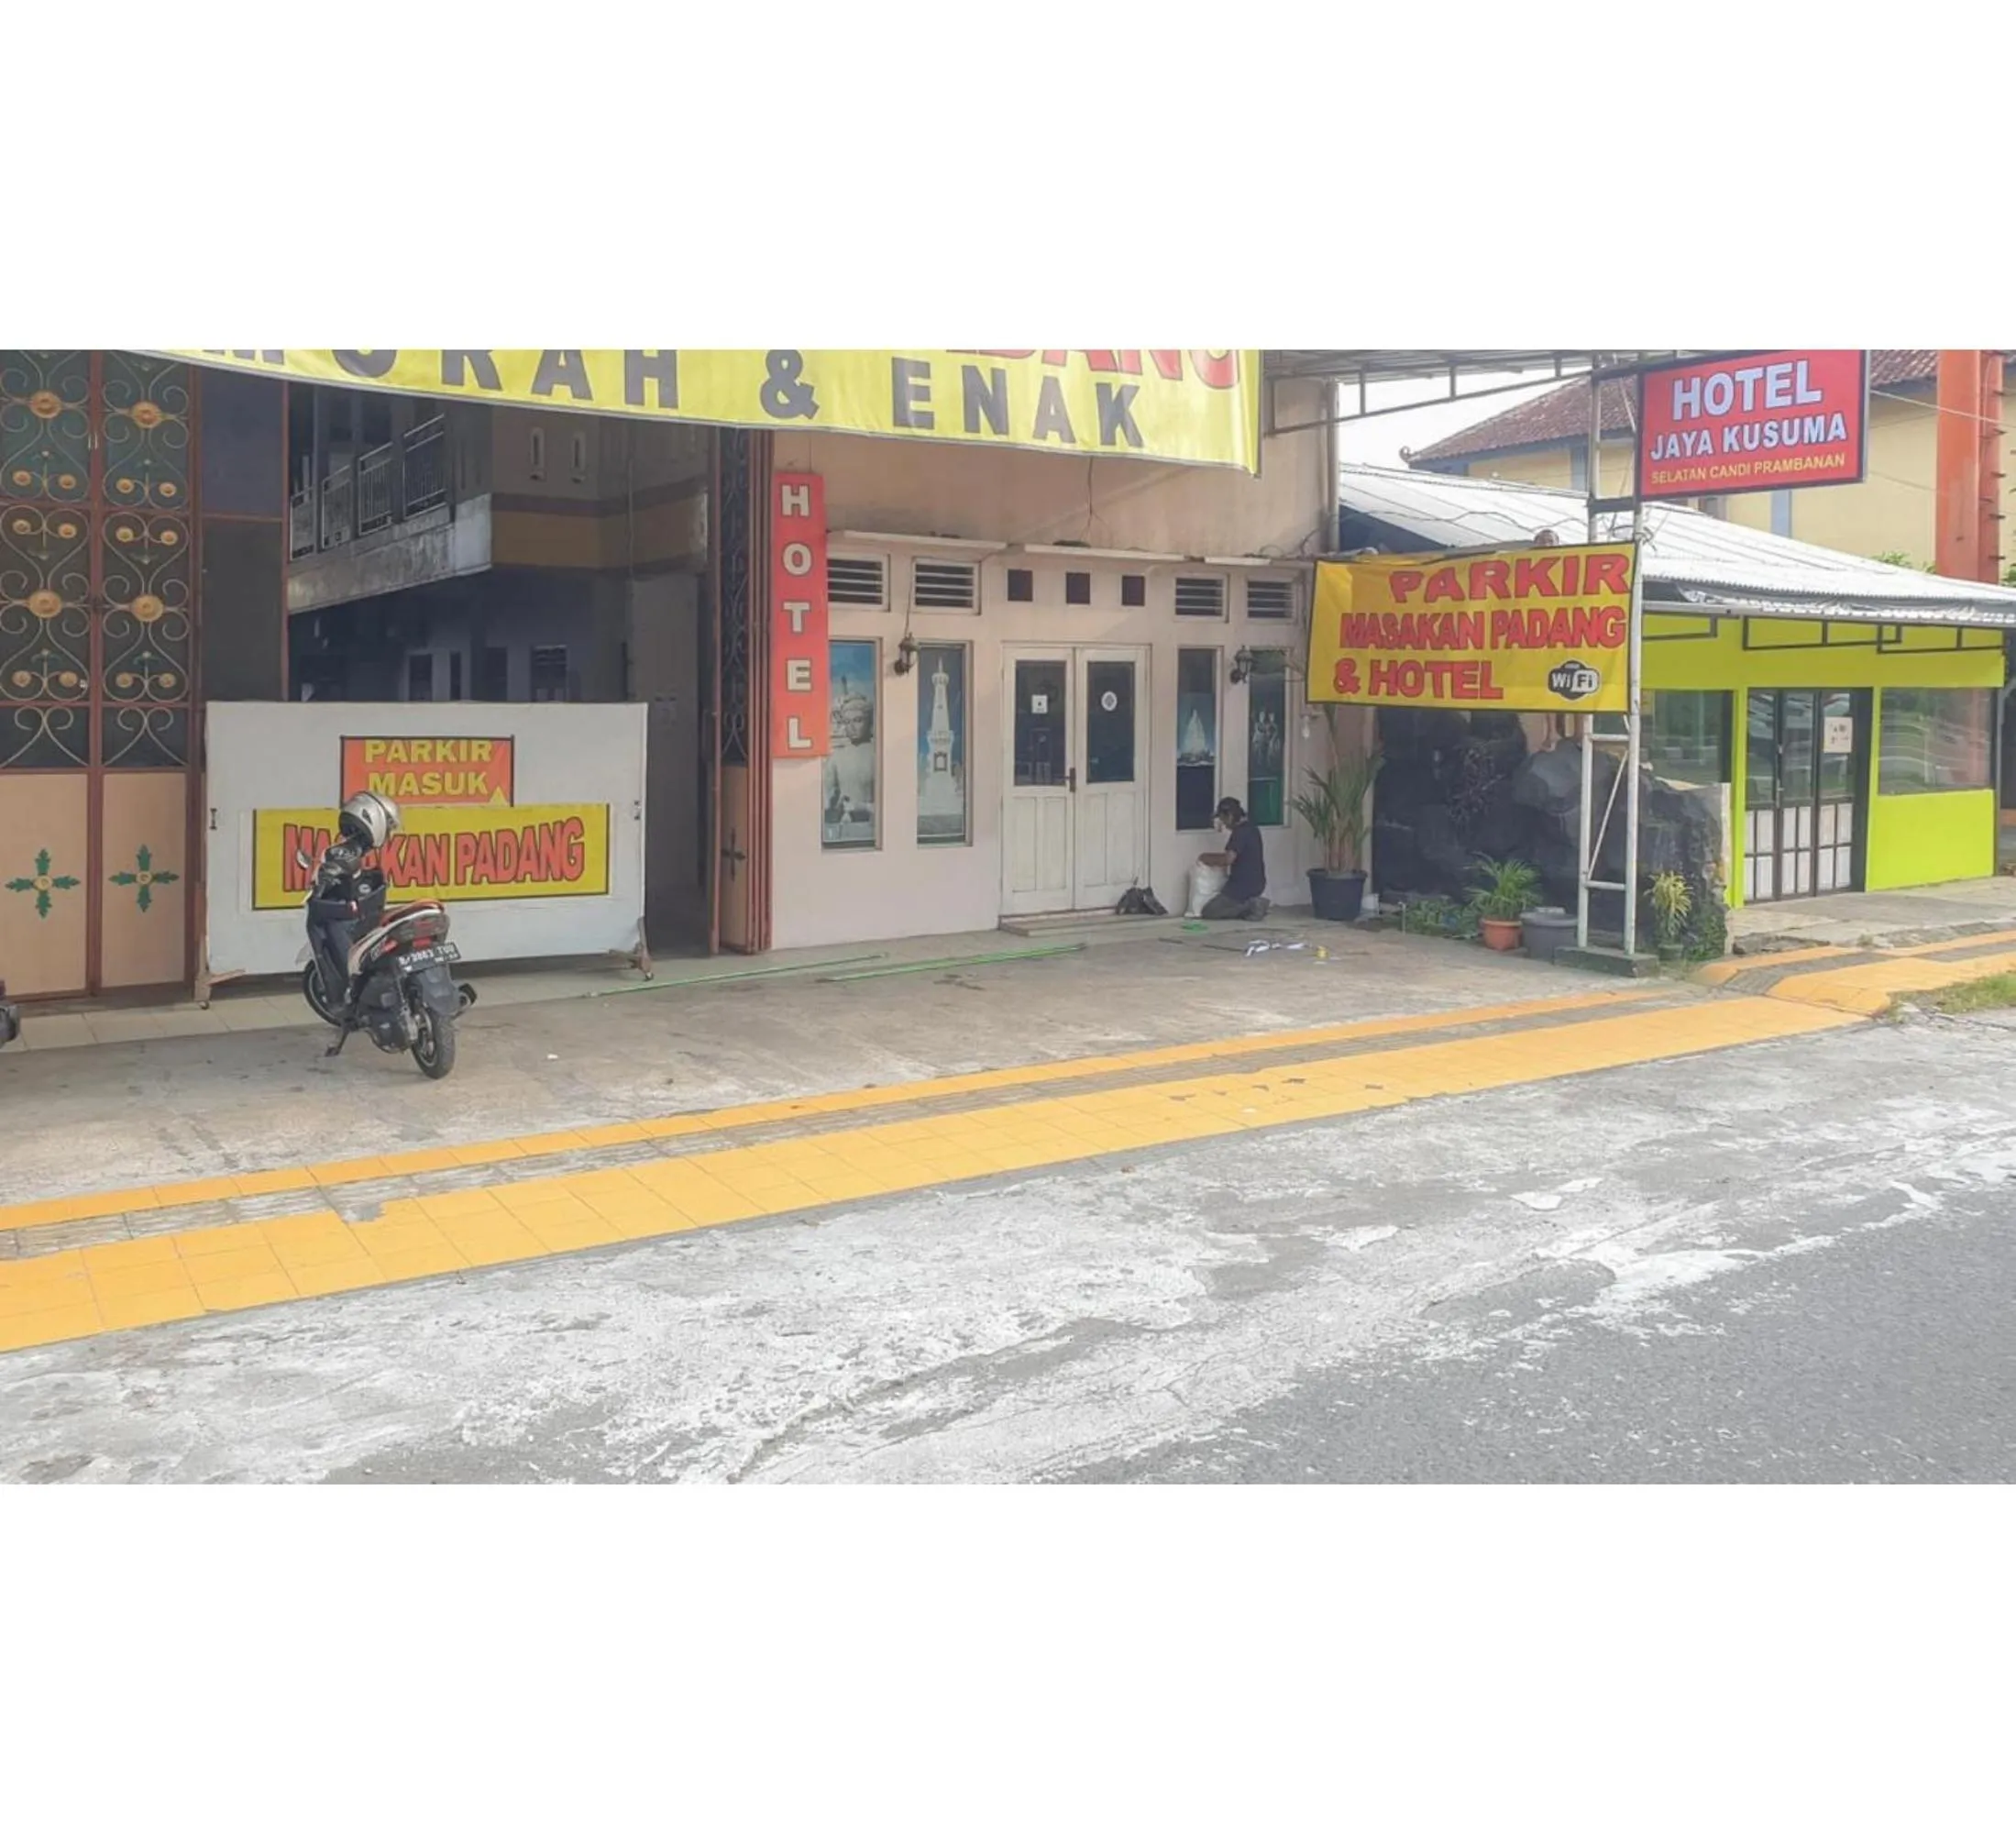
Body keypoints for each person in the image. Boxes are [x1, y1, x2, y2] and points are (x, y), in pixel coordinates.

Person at [1198, 796, 1268, 920]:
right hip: (1258, 883)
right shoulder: (1252, 828)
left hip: (1241, 886)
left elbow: (1227, 859)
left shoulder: (1239, 833)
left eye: (1223, 819)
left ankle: (1250, 907)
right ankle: (1254, 904)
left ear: (1230, 816)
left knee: (1210, 911)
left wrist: (1206, 858)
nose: (1224, 824)